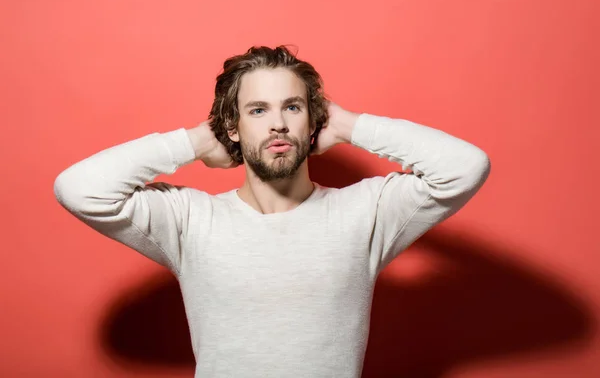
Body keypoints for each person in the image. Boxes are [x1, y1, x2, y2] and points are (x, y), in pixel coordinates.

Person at [54, 45, 491, 377]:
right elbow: (79, 189)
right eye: (258, 110)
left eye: (292, 107)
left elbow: (465, 167)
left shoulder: (365, 212)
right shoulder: (189, 220)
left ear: (312, 120)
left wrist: (347, 124)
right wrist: (196, 141)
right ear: (233, 127)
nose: (277, 123)